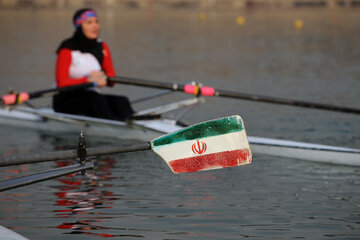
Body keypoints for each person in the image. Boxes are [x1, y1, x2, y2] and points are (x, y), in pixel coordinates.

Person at [53, 8, 134, 121]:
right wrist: (88, 80)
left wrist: (104, 76)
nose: (95, 26)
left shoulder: (102, 47)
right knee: (97, 100)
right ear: (79, 26)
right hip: (66, 100)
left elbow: (111, 81)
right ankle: (117, 129)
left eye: (96, 22)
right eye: (89, 22)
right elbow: (61, 83)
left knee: (122, 101)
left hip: (92, 97)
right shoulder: (67, 49)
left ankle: (138, 126)